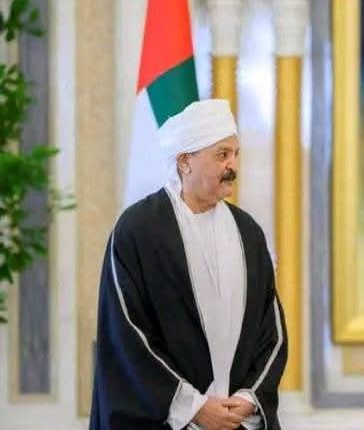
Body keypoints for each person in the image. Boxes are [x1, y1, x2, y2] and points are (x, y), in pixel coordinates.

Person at [90, 99, 287, 430]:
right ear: (185, 161)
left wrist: (249, 397)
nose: (233, 165)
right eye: (222, 155)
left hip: (237, 420)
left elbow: (272, 329)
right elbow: (126, 336)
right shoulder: (138, 231)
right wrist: (193, 408)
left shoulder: (248, 232)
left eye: (236, 154)